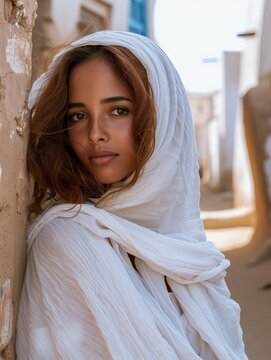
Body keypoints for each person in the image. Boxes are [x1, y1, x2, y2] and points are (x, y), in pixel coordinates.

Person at [16, 31, 247, 359]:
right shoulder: (68, 239)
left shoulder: (187, 249)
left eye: (118, 110)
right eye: (78, 116)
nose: (95, 134)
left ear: (160, 118)